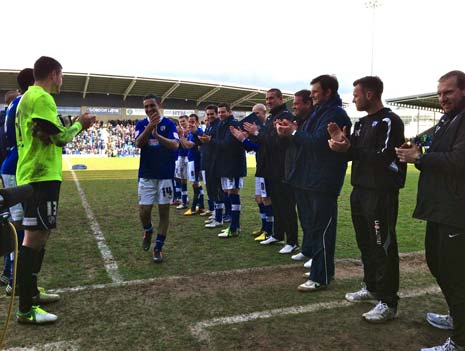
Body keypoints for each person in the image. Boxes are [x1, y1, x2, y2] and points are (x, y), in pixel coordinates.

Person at [15, 56, 96, 324]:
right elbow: (59, 137)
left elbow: (50, 133)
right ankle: (25, 308)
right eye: (61, 75)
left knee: (42, 234)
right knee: (33, 238)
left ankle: (32, 292)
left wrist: (60, 128)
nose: (62, 80)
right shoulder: (40, 97)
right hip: (39, 176)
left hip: (38, 174)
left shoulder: (30, 98)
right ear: (54, 73)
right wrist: (80, 125)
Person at [396, 70, 465, 351]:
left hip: (457, 211)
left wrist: (420, 157)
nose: (442, 98)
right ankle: (456, 318)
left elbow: (459, 160)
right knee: (437, 264)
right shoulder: (449, 119)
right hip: (440, 208)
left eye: (448, 92)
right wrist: (416, 151)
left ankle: (460, 341)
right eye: (439, 93)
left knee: (455, 273)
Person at [328, 76, 405, 322]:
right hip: (359, 190)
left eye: (357, 94)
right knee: (366, 243)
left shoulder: (389, 121)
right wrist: (342, 145)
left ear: (370, 94)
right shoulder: (361, 123)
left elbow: (384, 156)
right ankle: (371, 287)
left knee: (382, 244)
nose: (353, 98)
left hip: (380, 193)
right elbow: (355, 154)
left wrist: (351, 149)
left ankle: (388, 301)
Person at [276, 76, 351, 291]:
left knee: (323, 229)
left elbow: (318, 143)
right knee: (315, 228)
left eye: (316, 92)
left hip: (323, 180)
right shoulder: (320, 112)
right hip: (311, 179)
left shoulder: (335, 113)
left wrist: (293, 132)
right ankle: (321, 268)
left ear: (327, 92)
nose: (313, 95)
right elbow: (306, 138)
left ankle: (321, 275)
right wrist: (291, 131)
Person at [244, 89, 299, 253]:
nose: (269, 101)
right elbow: (264, 141)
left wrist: (257, 132)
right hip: (270, 168)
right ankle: (277, 234)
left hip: (283, 168)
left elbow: (277, 140)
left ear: (281, 99)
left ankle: (292, 240)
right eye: (267, 99)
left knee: (287, 205)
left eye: (272, 98)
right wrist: (250, 135)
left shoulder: (286, 116)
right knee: (276, 204)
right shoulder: (270, 117)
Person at [1, 69, 35, 295]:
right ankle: (15, 279)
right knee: (21, 227)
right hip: (15, 166)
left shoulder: (14, 103)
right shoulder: (25, 101)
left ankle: (8, 274)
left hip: (10, 162)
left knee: (17, 224)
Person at [135, 94, 179, 263]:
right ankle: (148, 230)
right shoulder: (141, 124)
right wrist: (150, 128)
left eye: (151, 105)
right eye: (146, 106)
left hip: (166, 176)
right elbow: (138, 143)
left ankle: (158, 248)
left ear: (158, 105)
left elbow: (175, 145)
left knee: (164, 212)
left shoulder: (169, 124)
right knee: (144, 211)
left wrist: (158, 135)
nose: (149, 109)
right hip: (147, 175)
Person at [200, 103, 246, 238]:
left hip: (234, 166)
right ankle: (234, 226)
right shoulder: (222, 124)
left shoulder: (232, 124)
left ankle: (234, 227)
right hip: (225, 166)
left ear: (229, 111)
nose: (220, 114)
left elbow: (228, 145)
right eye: (219, 112)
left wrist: (210, 141)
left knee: (233, 194)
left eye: (222, 112)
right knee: (229, 193)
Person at [178, 113, 205, 216]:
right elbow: (185, 146)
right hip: (191, 160)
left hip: (195, 161)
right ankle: (201, 206)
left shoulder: (197, 133)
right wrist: (182, 137)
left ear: (197, 122)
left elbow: (189, 145)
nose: (190, 123)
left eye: (192, 121)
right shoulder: (190, 133)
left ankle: (194, 208)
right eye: (189, 121)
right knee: (196, 184)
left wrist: (181, 136)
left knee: (195, 184)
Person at [174, 115, 189, 209]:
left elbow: (186, 145)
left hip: (186, 157)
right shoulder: (180, 131)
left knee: (184, 179)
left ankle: (184, 200)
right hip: (179, 157)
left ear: (187, 121)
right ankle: (180, 198)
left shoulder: (189, 131)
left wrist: (181, 135)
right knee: (178, 177)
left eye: (183, 121)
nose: (182, 123)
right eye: (180, 121)